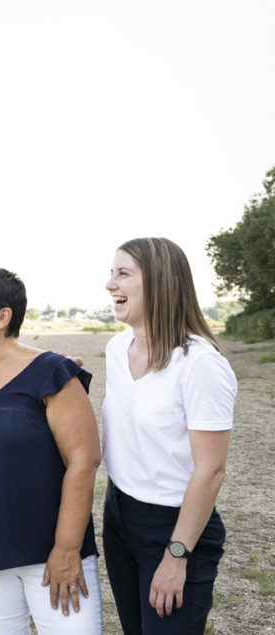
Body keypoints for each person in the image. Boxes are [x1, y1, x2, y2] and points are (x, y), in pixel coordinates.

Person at [0, 268, 103, 634]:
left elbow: (84, 461)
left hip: (48, 554)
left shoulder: (53, 372)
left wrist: (66, 549)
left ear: (1, 316)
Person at [102, 237, 236, 635]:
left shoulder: (200, 365)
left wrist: (177, 555)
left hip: (174, 527)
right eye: (111, 274)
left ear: (160, 282)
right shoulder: (116, 348)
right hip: (119, 515)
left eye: (123, 274)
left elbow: (211, 469)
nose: (110, 284)